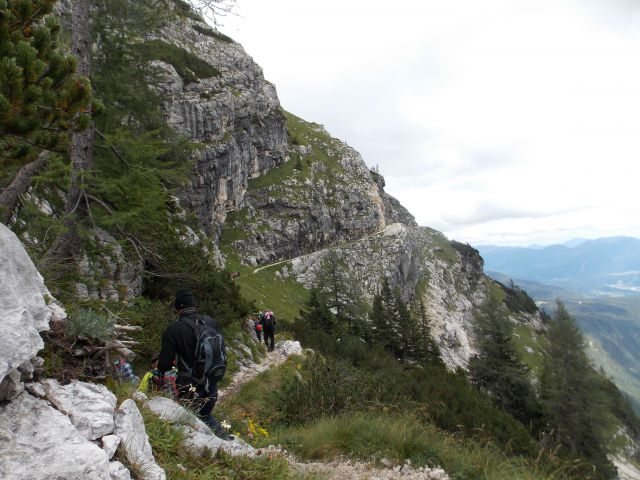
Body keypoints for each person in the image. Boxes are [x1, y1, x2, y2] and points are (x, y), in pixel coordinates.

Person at [158, 289, 232, 440]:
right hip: (211, 382)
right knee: (205, 415)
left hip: (188, 386)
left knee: (191, 423)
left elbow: (164, 364)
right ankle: (224, 442)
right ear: (193, 305)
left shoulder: (174, 329)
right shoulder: (210, 321)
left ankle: (213, 447)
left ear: (177, 308)